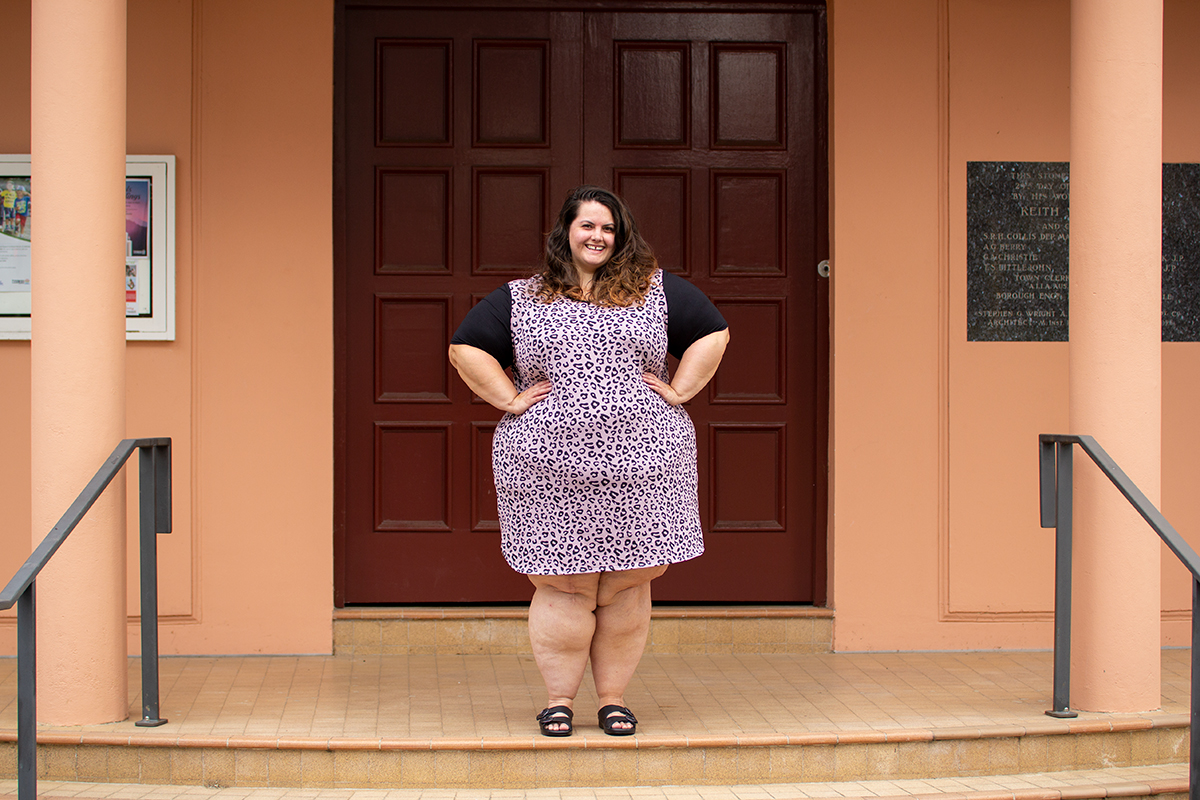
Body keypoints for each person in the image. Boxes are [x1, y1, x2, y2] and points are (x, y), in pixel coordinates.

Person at [448, 185, 729, 737]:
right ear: (566, 233)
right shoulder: (522, 296)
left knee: (626, 582)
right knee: (564, 584)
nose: (598, 236)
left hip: (646, 462)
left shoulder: (657, 291)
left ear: (621, 236)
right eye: (587, 226)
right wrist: (507, 399)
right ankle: (558, 700)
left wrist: (680, 390)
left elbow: (713, 331)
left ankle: (613, 700)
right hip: (546, 468)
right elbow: (465, 347)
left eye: (608, 228)